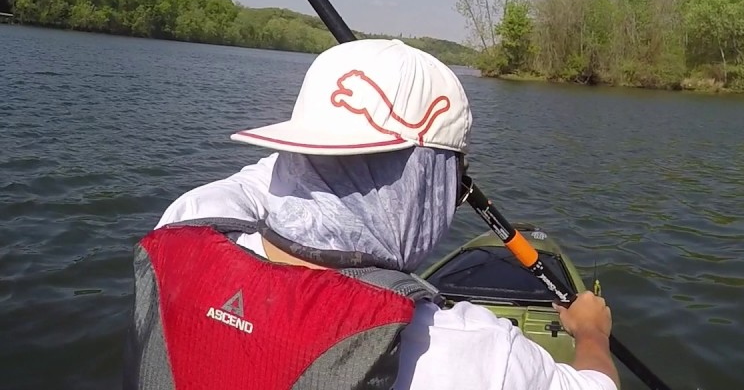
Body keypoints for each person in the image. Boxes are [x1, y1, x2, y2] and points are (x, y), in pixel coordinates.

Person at [123, 38, 619, 390]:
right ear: (434, 182)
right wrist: (592, 332)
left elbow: (272, 174)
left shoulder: (186, 225)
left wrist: (340, 125)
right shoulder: (468, 352)